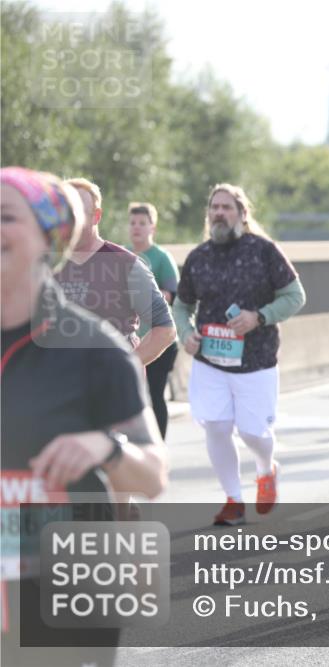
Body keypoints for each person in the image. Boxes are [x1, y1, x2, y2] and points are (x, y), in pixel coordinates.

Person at [1, 167, 167, 667]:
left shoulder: (96, 348)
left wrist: (107, 448)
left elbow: (154, 475)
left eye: (6, 217)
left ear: (48, 236)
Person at [172, 184, 306, 526]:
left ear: (242, 214)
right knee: (215, 427)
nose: (219, 213)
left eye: (226, 207)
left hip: (256, 360)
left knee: (252, 433)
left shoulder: (263, 251)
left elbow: (295, 296)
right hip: (210, 360)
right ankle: (233, 499)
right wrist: (186, 334)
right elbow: (182, 304)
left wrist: (258, 317)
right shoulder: (198, 257)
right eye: (214, 207)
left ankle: (266, 468)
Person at [55, 178, 175, 365]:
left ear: (96, 216)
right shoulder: (47, 263)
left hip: (111, 389)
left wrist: (124, 368)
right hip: (60, 385)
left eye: (78, 213)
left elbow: (165, 330)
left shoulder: (126, 264)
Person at [127, 202, 180, 438]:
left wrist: (142, 294)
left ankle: (159, 446)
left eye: (142, 223)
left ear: (152, 228)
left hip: (158, 339)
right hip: (130, 341)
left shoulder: (161, 258)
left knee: (153, 394)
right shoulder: (121, 255)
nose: (136, 228)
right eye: (132, 223)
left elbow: (172, 293)